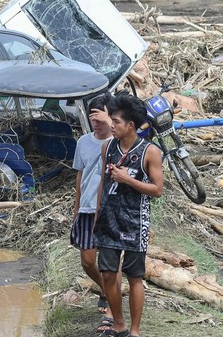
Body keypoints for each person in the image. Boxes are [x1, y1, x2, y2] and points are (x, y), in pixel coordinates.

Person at [94, 94, 164, 337]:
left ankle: (135, 331)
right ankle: (119, 324)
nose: (110, 125)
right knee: (108, 273)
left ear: (130, 125)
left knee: (134, 276)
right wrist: (97, 214)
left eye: (115, 121)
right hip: (109, 220)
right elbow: (102, 183)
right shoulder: (108, 147)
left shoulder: (150, 152)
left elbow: (157, 190)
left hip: (135, 222)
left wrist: (128, 179)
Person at [70, 94, 118, 333]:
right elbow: (80, 176)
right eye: (93, 119)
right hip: (88, 208)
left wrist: (110, 124)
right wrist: (77, 207)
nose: (96, 124)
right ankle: (106, 289)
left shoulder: (119, 142)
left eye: (100, 118)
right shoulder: (83, 142)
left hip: (111, 210)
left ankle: (112, 307)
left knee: (111, 264)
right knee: (88, 261)